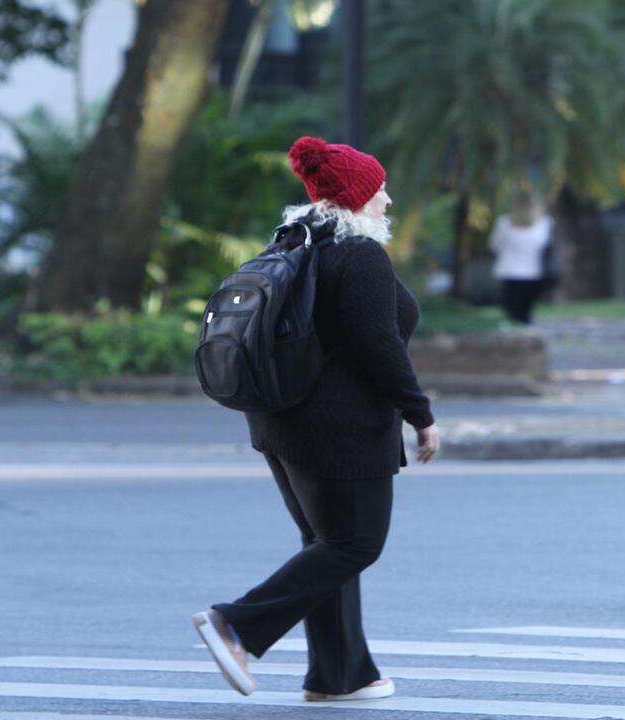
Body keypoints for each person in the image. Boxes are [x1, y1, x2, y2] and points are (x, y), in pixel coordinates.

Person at [192, 136, 441, 702]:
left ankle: (340, 676)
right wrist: (420, 414)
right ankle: (236, 624)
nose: (387, 199)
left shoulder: (297, 244)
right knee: (355, 543)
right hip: (339, 432)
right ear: (354, 199)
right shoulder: (360, 257)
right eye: (378, 191)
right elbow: (381, 348)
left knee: (326, 545)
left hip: (281, 423)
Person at [489, 190, 554, 324]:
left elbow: (494, 246)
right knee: (525, 310)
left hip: (509, 271)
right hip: (533, 272)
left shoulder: (503, 224)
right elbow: (547, 248)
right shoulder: (544, 224)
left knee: (511, 310)